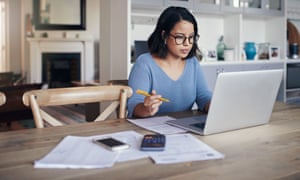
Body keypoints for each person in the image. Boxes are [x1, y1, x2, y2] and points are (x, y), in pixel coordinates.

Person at [127, 6, 212, 118]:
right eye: (180, 37)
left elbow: (203, 97)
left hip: (183, 129)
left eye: (191, 37)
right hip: (150, 131)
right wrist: (146, 108)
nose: (187, 43)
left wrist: (215, 105)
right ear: (164, 36)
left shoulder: (193, 63)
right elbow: (133, 105)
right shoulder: (145, 63)